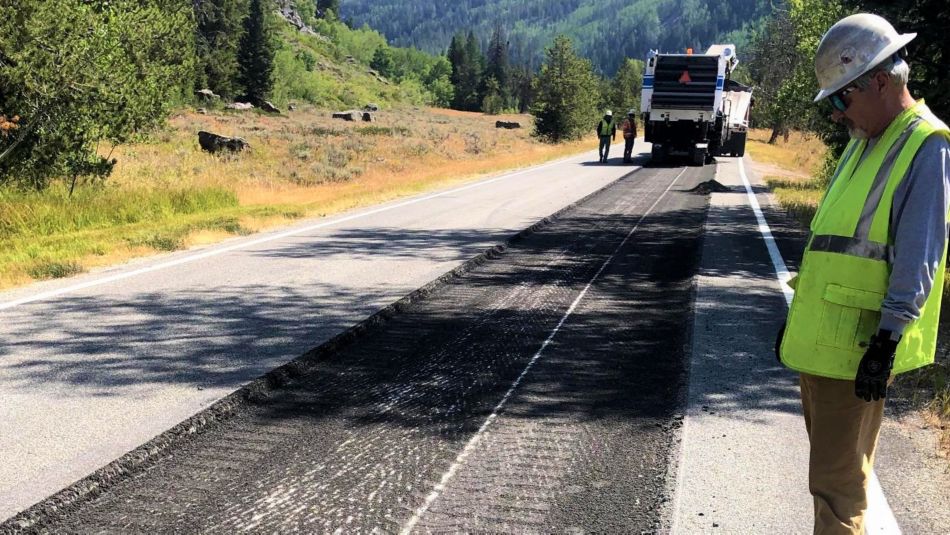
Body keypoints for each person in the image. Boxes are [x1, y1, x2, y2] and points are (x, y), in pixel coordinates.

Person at [776, 13, 950, 535]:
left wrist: (886, 342)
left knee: (837, 487)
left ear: (878, 81)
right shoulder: (866, 139)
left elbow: (921, 254)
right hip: (825, 342)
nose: (835, 115)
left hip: (857, 350)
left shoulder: (924, 145)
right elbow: (833, 243)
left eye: (839, 99)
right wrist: (798, 317)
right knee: (839, 478)